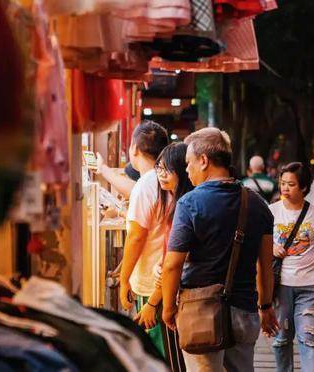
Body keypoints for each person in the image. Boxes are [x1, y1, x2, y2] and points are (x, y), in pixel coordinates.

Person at [160, 128, 279, 372]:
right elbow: (265, 265)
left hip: (200, 312)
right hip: (245, 312)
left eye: (189, 163)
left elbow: (173, 264)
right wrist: (265, 307)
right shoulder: (258, 204)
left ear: (203, 160)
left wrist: (168, 306)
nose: (187, 170)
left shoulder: (190, 203)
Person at [270, 162, 314, 372]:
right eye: (283, 183)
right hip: (281, 285)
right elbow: (257, 244)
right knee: (281, 339)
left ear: (304, 188)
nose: (285, 188)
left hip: (311, 285)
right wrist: (272, 247)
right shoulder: (271, 211)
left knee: (309, 337)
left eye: (291, 184)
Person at [135, 142, 193, 372]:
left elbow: (174, 264)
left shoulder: (184, 205)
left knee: (173, 362)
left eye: (167, 169)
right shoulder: (176, 202)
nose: (161, 174)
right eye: (158, 167)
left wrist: (153, 303)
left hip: (174, 295)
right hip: (171, 290)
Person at [119, 120, 169, 355]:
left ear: (134, 149)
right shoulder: (168, 179)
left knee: (156, 348)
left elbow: (136, 237)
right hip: (167, 275)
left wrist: (123, 279)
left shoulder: (145, 185)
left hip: (151, 282)